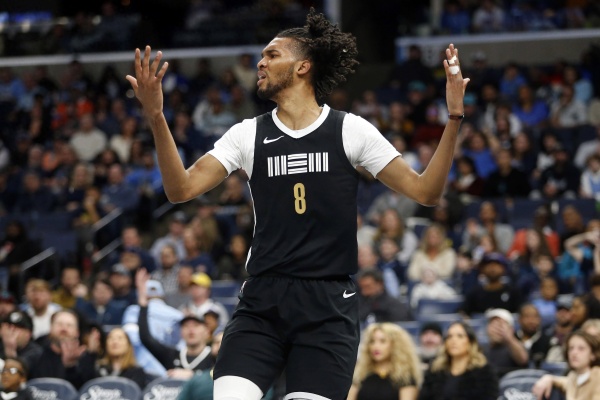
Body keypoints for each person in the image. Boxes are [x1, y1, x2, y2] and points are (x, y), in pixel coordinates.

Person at [126, 7, 469, 399]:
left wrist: (454, 117)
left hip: (327, 306)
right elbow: (180, 190)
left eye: (272, 55)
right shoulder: (247, 134)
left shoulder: (350, 130)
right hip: (263, 301)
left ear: (303, 66)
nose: (260, 62)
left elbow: (427, 193)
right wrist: (157, 116)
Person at [136, 269, 213, 379]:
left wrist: (192, 375)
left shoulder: (215, 356)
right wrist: (143, 302)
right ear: (181, 332)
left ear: (207, 331)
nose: (191, 330)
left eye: (196, 326)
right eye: (186, 326)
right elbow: (146, 338)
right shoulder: (173, 356)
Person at [417, 321, 498, 400]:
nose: (453, 340)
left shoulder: (485, 372)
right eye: (449, 337)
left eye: (460, 336)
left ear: (470, 342)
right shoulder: (435, 370)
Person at [347, 323, 422, 400]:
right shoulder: (359, 374)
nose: (376, 346)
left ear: (396, 345)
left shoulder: (405, 378)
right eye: (372, 341)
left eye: (382, 341)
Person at [532, 330, 600, 400]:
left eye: (581, 349)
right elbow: (563, 381)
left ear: (593, 354)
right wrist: (548, 378)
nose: (574, 353)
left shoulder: (598, 376)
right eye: (571, 348)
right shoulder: (573, 376)